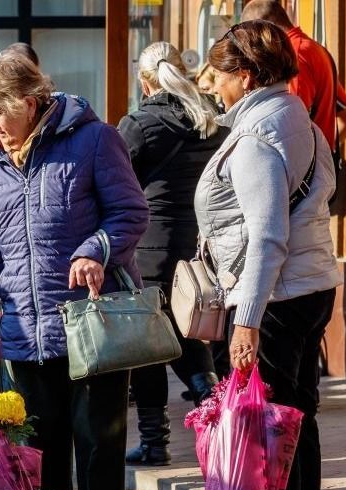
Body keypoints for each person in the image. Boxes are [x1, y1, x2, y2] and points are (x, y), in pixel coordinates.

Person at [0, 51, 148, 490]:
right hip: (25, 330)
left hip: (92, 328)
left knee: (98, 451)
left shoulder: (95, 140)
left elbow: (130, 213)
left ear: (29, 100)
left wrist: (94, 251)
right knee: (38, 460)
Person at [198, 20, 341, 490]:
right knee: (294, 427)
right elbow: (324, 191)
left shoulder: (259, 134)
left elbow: (267, 236)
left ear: (248, 74)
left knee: (267, 433)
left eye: (220, 74)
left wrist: (247, 318)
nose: (213, 85)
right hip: (308, 287)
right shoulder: (297, 115)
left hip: (276, 297)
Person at [117, 42, 228, 466]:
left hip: (150, 249)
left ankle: (156, 440)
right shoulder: (212, 120)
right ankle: (214, 409)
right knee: (183, 332)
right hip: (200, 246)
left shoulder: (141, 124)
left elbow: (116, 183)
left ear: (145, 81)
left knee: (149, 344)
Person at [241, 0, 346, 149]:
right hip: (315, 164)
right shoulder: (314, 49)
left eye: (251, 38)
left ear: (263, 30)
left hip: (303, 166)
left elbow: (291, 127)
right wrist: (326, 154)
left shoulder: (294, 55)